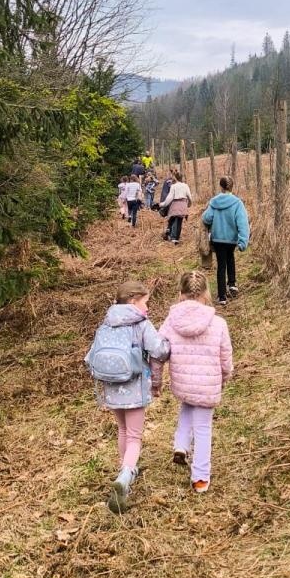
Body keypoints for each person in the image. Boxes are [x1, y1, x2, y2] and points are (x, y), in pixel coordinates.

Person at [85, 279, 170, 513]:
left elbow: (90, 356)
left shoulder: (107, 322)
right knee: (135, 436)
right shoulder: (140, 323)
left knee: (122, 431)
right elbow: (159, 350)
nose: (147, 308)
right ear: (133, 302)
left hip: (111, 386)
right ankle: (124, 478)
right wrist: (169, 345)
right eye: (145, 303)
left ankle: (125, 468)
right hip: (134, 386)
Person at [152, 270, 233, 493]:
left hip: (182, 381)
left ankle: (181, 445)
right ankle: (200, 477)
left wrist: (156, 382)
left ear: (180, 294)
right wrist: (225, 378)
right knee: (203, 427)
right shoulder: (218, 323)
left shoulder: (170, 322)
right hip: (207, 383)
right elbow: (226, 358)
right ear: (206, 293)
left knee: (188, 404)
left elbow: (157, 353)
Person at [201, 176, 250, 305]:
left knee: (221, 265)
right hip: (231, 239)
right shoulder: (237, 203)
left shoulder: (214, 202)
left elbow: (207, 218)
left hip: (217, 239)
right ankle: (232, 284)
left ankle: (222, 296)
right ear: (232, 186)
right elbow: (242, 222)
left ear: (221, 187)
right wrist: (243, 241)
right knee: (230, 258)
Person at [159, 169, 192, 245]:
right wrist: (189, 205)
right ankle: (176, 237)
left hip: (175, 204)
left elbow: (169, 198)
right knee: (179, 221)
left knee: (173, 219)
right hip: (183, 205)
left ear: (176, 178)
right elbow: (189, 197)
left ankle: (173, 237)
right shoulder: (185, 186)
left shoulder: (173, 186)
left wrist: (162, 204)